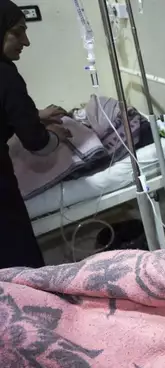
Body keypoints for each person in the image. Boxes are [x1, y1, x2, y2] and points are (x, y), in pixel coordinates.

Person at [1, 0, 70, 268]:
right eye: (17, 32)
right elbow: (36, 143)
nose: (26, 42)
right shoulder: (5, 74)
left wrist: (34, 115)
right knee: (17, 261)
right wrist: (55, 136)